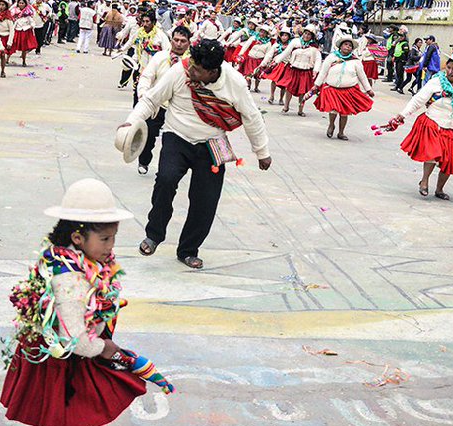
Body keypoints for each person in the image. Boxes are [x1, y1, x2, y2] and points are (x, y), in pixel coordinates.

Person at [0, 179, 172, 426]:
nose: (111, 247)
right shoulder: (68, 278)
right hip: (65, 353)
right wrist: (106, 349)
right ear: (78, 237)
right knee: (64, 412)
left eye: (113, 237)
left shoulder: (91, 259)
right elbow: (72, 337)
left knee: (100, 397)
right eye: (105, 239)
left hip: (89, 343)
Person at [121, 39, 272, 269]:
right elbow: (151, 100)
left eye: (197, 69)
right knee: (166, 179)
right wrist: (130, 123)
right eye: (191, 64)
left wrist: (262, 152)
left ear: (212, 72)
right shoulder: (179, 71)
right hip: (177, 134)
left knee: (206, 199)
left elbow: (252, 117)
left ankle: (188, 250)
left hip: (213, 141)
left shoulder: (235, 83)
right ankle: (154, 235)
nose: (190, 70)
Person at [385, 50, 453, 200]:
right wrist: (402, 115)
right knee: (432, 154)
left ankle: (439, 189)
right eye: (448, 67)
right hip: (434, 124)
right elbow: (418, 100)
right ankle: (424, 181)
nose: (450, 71)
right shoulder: (436, 82)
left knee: (449, 161)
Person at [135, 25, 192, 175]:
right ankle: (144, 161)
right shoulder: (160, 57)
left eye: (183, 41)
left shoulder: (192, 63)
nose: (179, 44)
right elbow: (147, 77)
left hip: (178, 110)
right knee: (147, 136)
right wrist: (143, 94)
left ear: (189, 43)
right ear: (171, 40)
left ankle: (165, 172)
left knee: (172, 143)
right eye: (176, 40)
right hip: (157, 106)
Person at [312, 33, 374, 141]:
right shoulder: (332, 57)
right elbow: (323, 72)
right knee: (333, 110)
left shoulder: (355, 61)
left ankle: (341, 132)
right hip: (332, 88)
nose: (347, 47)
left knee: (345, 112)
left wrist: (368, 89)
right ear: (340, 46)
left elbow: (362, 76)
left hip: (348, 90)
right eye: (345, 45)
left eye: (349, 46)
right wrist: (316, 85)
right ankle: (331, 125)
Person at [273, 24, 322, 116]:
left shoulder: (314, 46)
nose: (306, 36)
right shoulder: (295, 42)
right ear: (302, 33)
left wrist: (316, 70)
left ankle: (300, 109)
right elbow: (286, 52)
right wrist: (276, 61)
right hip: (293, 69)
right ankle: (286, 106)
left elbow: (318, 59)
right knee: (289, 89)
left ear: (312, 37)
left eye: (309, 34)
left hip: (305, 71)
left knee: (302, 91)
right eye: (305, 33)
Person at [11, 0, 40, 67]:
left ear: (25, 4)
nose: (21, 4)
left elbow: (33, 23)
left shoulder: (28, 13)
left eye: (22, 3)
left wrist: (29, 27)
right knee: (11, 45)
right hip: (17, 31)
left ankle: (24, 61)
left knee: (24, 48)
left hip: (25, 32)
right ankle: (7, 59)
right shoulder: (14, 12)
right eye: (20, 3)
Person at [0, 0, 15, 78]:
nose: (1, 6)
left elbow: (12, 30)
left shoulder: (8, 18)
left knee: (2, 55)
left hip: (5, 37)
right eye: (0, 4)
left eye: (3, 5)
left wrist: (10, 42)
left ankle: (2, 70)